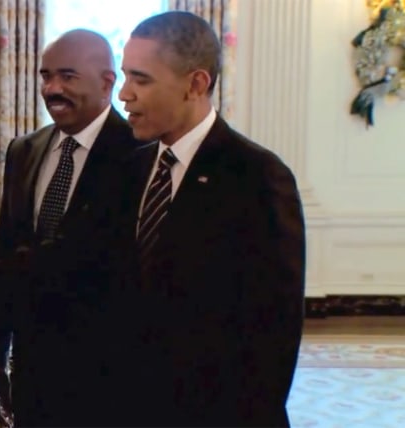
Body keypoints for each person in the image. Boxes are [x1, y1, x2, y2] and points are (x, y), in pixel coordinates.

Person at [116, 11, 306, 426]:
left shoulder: (257, 177)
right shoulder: (130, 170)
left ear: (195, 84)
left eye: (141, 79)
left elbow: (273, 330)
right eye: (124, 76)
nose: (124, 94)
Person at [0, 29, 141, 427]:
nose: (52, 88)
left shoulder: (140, 154)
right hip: (32, 366)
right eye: (45, 76)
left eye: (67, 76)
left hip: (111, 372)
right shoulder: (24, 151)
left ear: (107, 83)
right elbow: (5, 253)